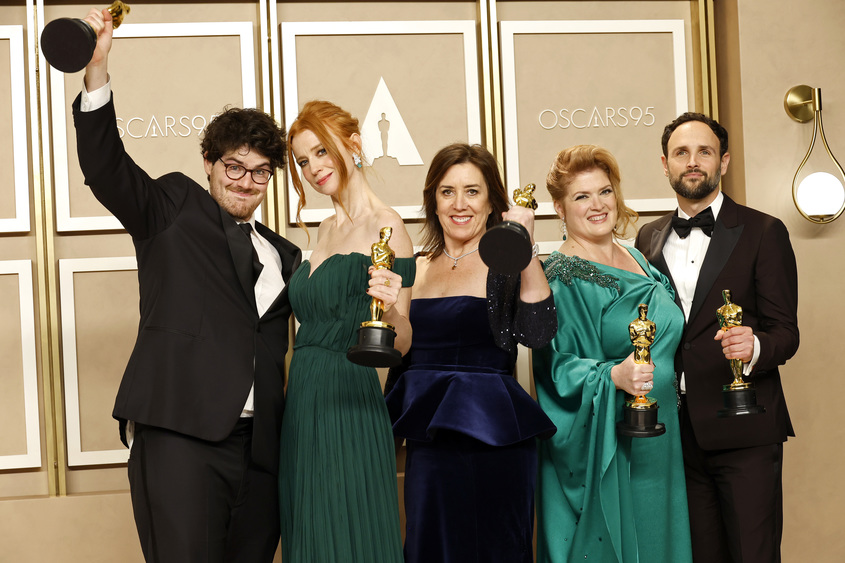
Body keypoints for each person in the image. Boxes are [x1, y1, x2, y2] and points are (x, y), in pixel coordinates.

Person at [72, 8, 300, 562]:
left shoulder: (285, 253)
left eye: (261, 171)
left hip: (263, 451)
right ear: (208, 164)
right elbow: (106, 169)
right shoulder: (172, 207)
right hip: (181, 436)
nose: (247, 182)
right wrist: (96, 72)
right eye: (234, 167)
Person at [635, 113, 799, 563]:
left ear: (723, 162)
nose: (693, 162)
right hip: (674, 435)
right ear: (665, 163)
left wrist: (756, 347)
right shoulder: (647, 238)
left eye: (704, 152)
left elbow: (787, 332)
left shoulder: (764, 231)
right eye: (681, 153)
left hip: (744, 428)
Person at [384, 143, 557, 562]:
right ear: (433, 201)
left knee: (496, 547)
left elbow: (537, 332)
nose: (459, 204)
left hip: (497, 439)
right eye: (447, 192)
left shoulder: (507, 265)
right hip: (430, 441)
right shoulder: (417, 267)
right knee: (429, 545)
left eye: (472, 191)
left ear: (493, 201)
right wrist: (387, 305)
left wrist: (524, 245)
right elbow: (398, 349)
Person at [533, 145, 693, 562]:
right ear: (559, 207)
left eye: (604, 192)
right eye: (581, 197)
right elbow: (557, 367)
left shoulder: (637, 255)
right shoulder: (562, 276)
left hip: (661, 435)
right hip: (614, 442)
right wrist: (613, 377)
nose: (597, 205)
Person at [280, 100, 413, 562]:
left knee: (351, 531)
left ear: (353, 144)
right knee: (311, 531)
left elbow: (404, 337)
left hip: (349, 398)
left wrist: (394, 307)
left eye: (321, 151)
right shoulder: (322, 228)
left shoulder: (389, 225)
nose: (313, 168)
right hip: (302, 403)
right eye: (302, 160)